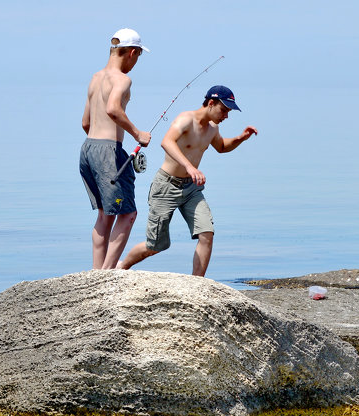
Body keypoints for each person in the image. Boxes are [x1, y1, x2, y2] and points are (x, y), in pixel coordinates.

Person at [118, 85, 257, 277]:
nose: (226, 115)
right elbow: (166, 142)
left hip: (191, 189)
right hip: (166, 186)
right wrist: (190, 167)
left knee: (206, 233)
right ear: (211, 103)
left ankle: (197, 283)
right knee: (156, 245)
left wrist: (241, 138)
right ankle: (121, 267)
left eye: (229, 112)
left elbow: (222, 147)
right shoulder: (186, 119)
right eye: (224, 110)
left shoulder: (213, 129)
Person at [80, 28, 152, 269]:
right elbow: (113, 109)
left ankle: (96, 272)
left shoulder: (95, 77)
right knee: (128, 214)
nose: (136, 62)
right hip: (108, 151)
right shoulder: (122, 79)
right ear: (132, 52)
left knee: (104, 214)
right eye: (138, 57)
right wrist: (137, 133)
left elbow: (85, 123)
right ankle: (108, 272)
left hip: (88, 149)